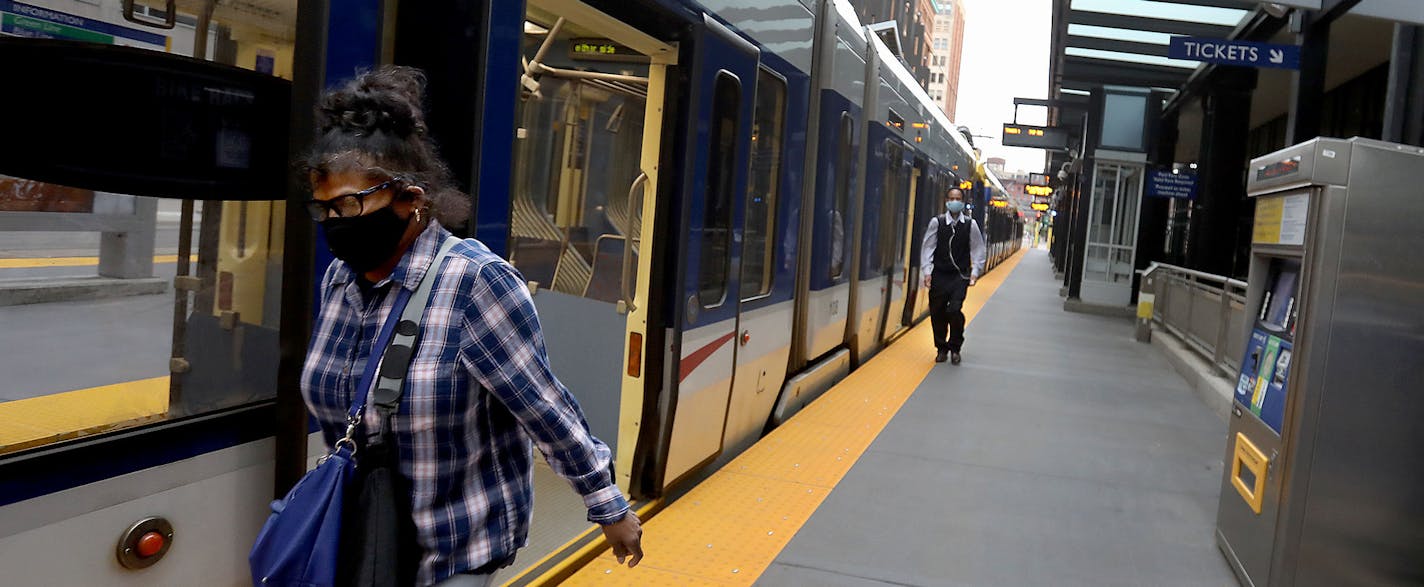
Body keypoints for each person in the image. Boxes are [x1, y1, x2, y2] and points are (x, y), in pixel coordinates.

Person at [299, 67, 643, 587]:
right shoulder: (339, 283)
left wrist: (606, 504)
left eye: (349, 204)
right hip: (359, 540)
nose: (335, 222)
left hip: (450, 551)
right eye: (323, 208)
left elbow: (542, 406)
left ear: (410, 199)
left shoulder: (475, 282)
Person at [920, 187, 986, 365]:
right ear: (946, 201)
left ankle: (955, 347)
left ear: (963, 201)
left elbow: (978, 248)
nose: (954, 201)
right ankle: (941, 348)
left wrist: (974, 273)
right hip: (940, 274)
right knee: (937, 312)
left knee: (954, 310)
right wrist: (927, 272)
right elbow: (928, 247)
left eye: (958, 198)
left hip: (960, 277)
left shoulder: (970, 225)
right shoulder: (937, 223)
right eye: (951, 198)